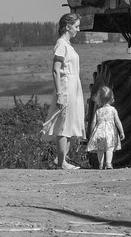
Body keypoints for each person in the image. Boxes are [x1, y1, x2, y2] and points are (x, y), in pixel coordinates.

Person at [40, 13, 85, 169]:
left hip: (74, 85)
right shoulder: (61, 44)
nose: (78, 30)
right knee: (64, 123)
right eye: (76, 26)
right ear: (67, 26)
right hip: (66, 85)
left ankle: (62, 159)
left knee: (72, 122)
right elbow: (56, 70)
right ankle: (61, 162)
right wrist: (59, 93)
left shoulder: (68, 45)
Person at [86, 86, 125, 169]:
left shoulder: (98, 111)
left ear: (99, 99)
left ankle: (100, 164)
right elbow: (118, 122)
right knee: (109, 148)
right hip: (110, 133)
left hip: (99, 133)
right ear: (111, 98)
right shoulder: (113, 110)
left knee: (100, 149)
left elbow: (93, 123)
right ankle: (108, 163)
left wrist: (91, 133)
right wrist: (121, 132)